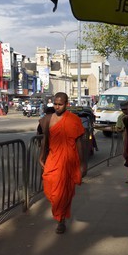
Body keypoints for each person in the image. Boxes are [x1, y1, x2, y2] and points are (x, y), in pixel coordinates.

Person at [39, 92, 86, 234]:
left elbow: (79, 142)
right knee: (49, 186)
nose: (57, 107)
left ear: (67, 104)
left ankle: (61, 220)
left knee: (63, 193)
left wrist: (82, 163)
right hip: (53, 159)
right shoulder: (47, 119)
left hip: (69, 161)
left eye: (60, 104)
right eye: (55, 104)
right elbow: (45, 140)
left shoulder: (73, 120)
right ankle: (60, 214)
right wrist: (41, 156)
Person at [116, 101, 128, 183]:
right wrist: (122, 129)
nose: (124, 111)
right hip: (126, 141)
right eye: (122, 109)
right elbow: (117, 128)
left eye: (125, 109)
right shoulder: (120, 117)